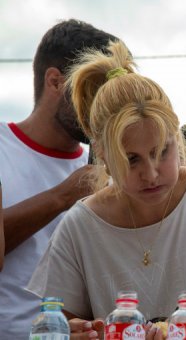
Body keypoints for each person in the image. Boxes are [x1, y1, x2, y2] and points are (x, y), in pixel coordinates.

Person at [27, 40, 186, 340]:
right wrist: (74, 334)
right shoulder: (78, 227)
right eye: (132, 160)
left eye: (161, 152)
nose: (151, 173)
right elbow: (57, 324)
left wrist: (176, 329)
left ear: (177, 136)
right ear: (103, 155)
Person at [0, 19, 118, 339]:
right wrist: (62, 197)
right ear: (55, 82)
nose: (106, 107)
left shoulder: (109, 169)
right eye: (94, 89)